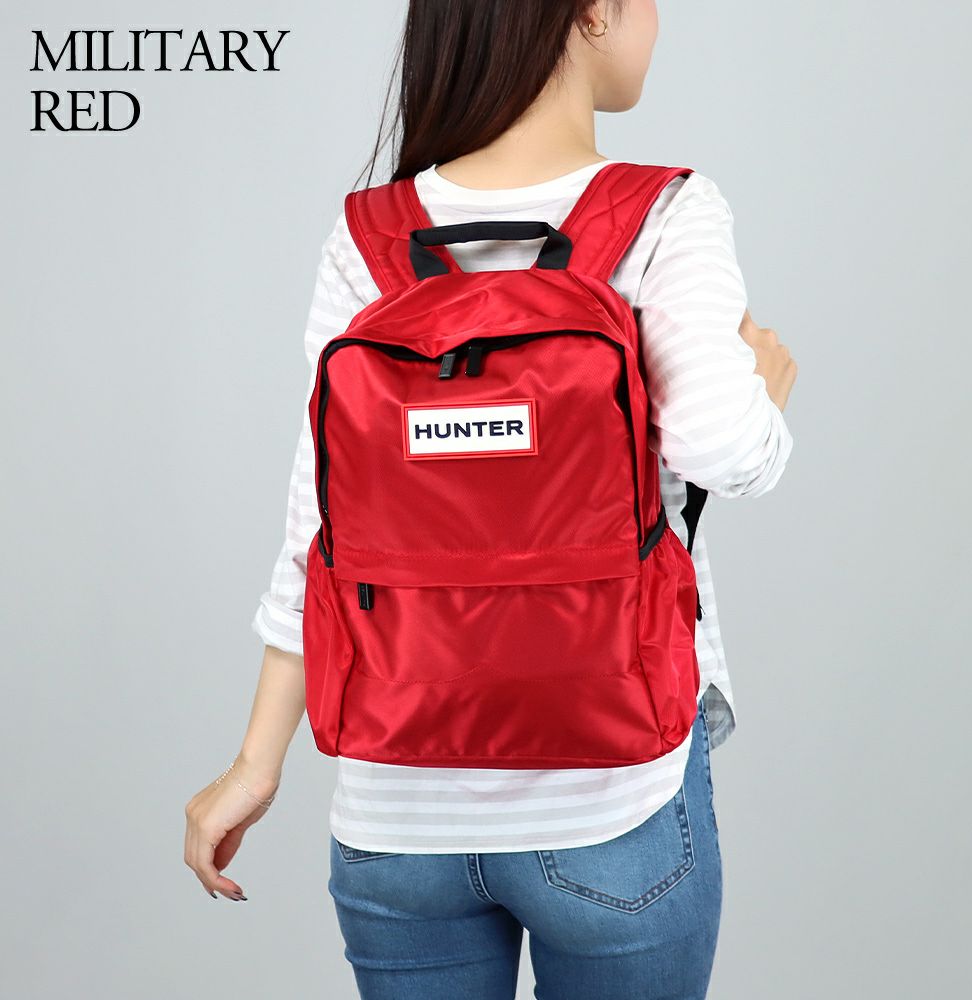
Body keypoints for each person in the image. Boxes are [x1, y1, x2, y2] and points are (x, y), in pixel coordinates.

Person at [184, 2, 797, 997]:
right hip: (612, 805)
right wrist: (766, 399)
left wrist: (257, 762)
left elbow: (318, 531)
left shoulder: (369, 238)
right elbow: (723, 445)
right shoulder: (665, 211)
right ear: (592, 11)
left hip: (394, 820)